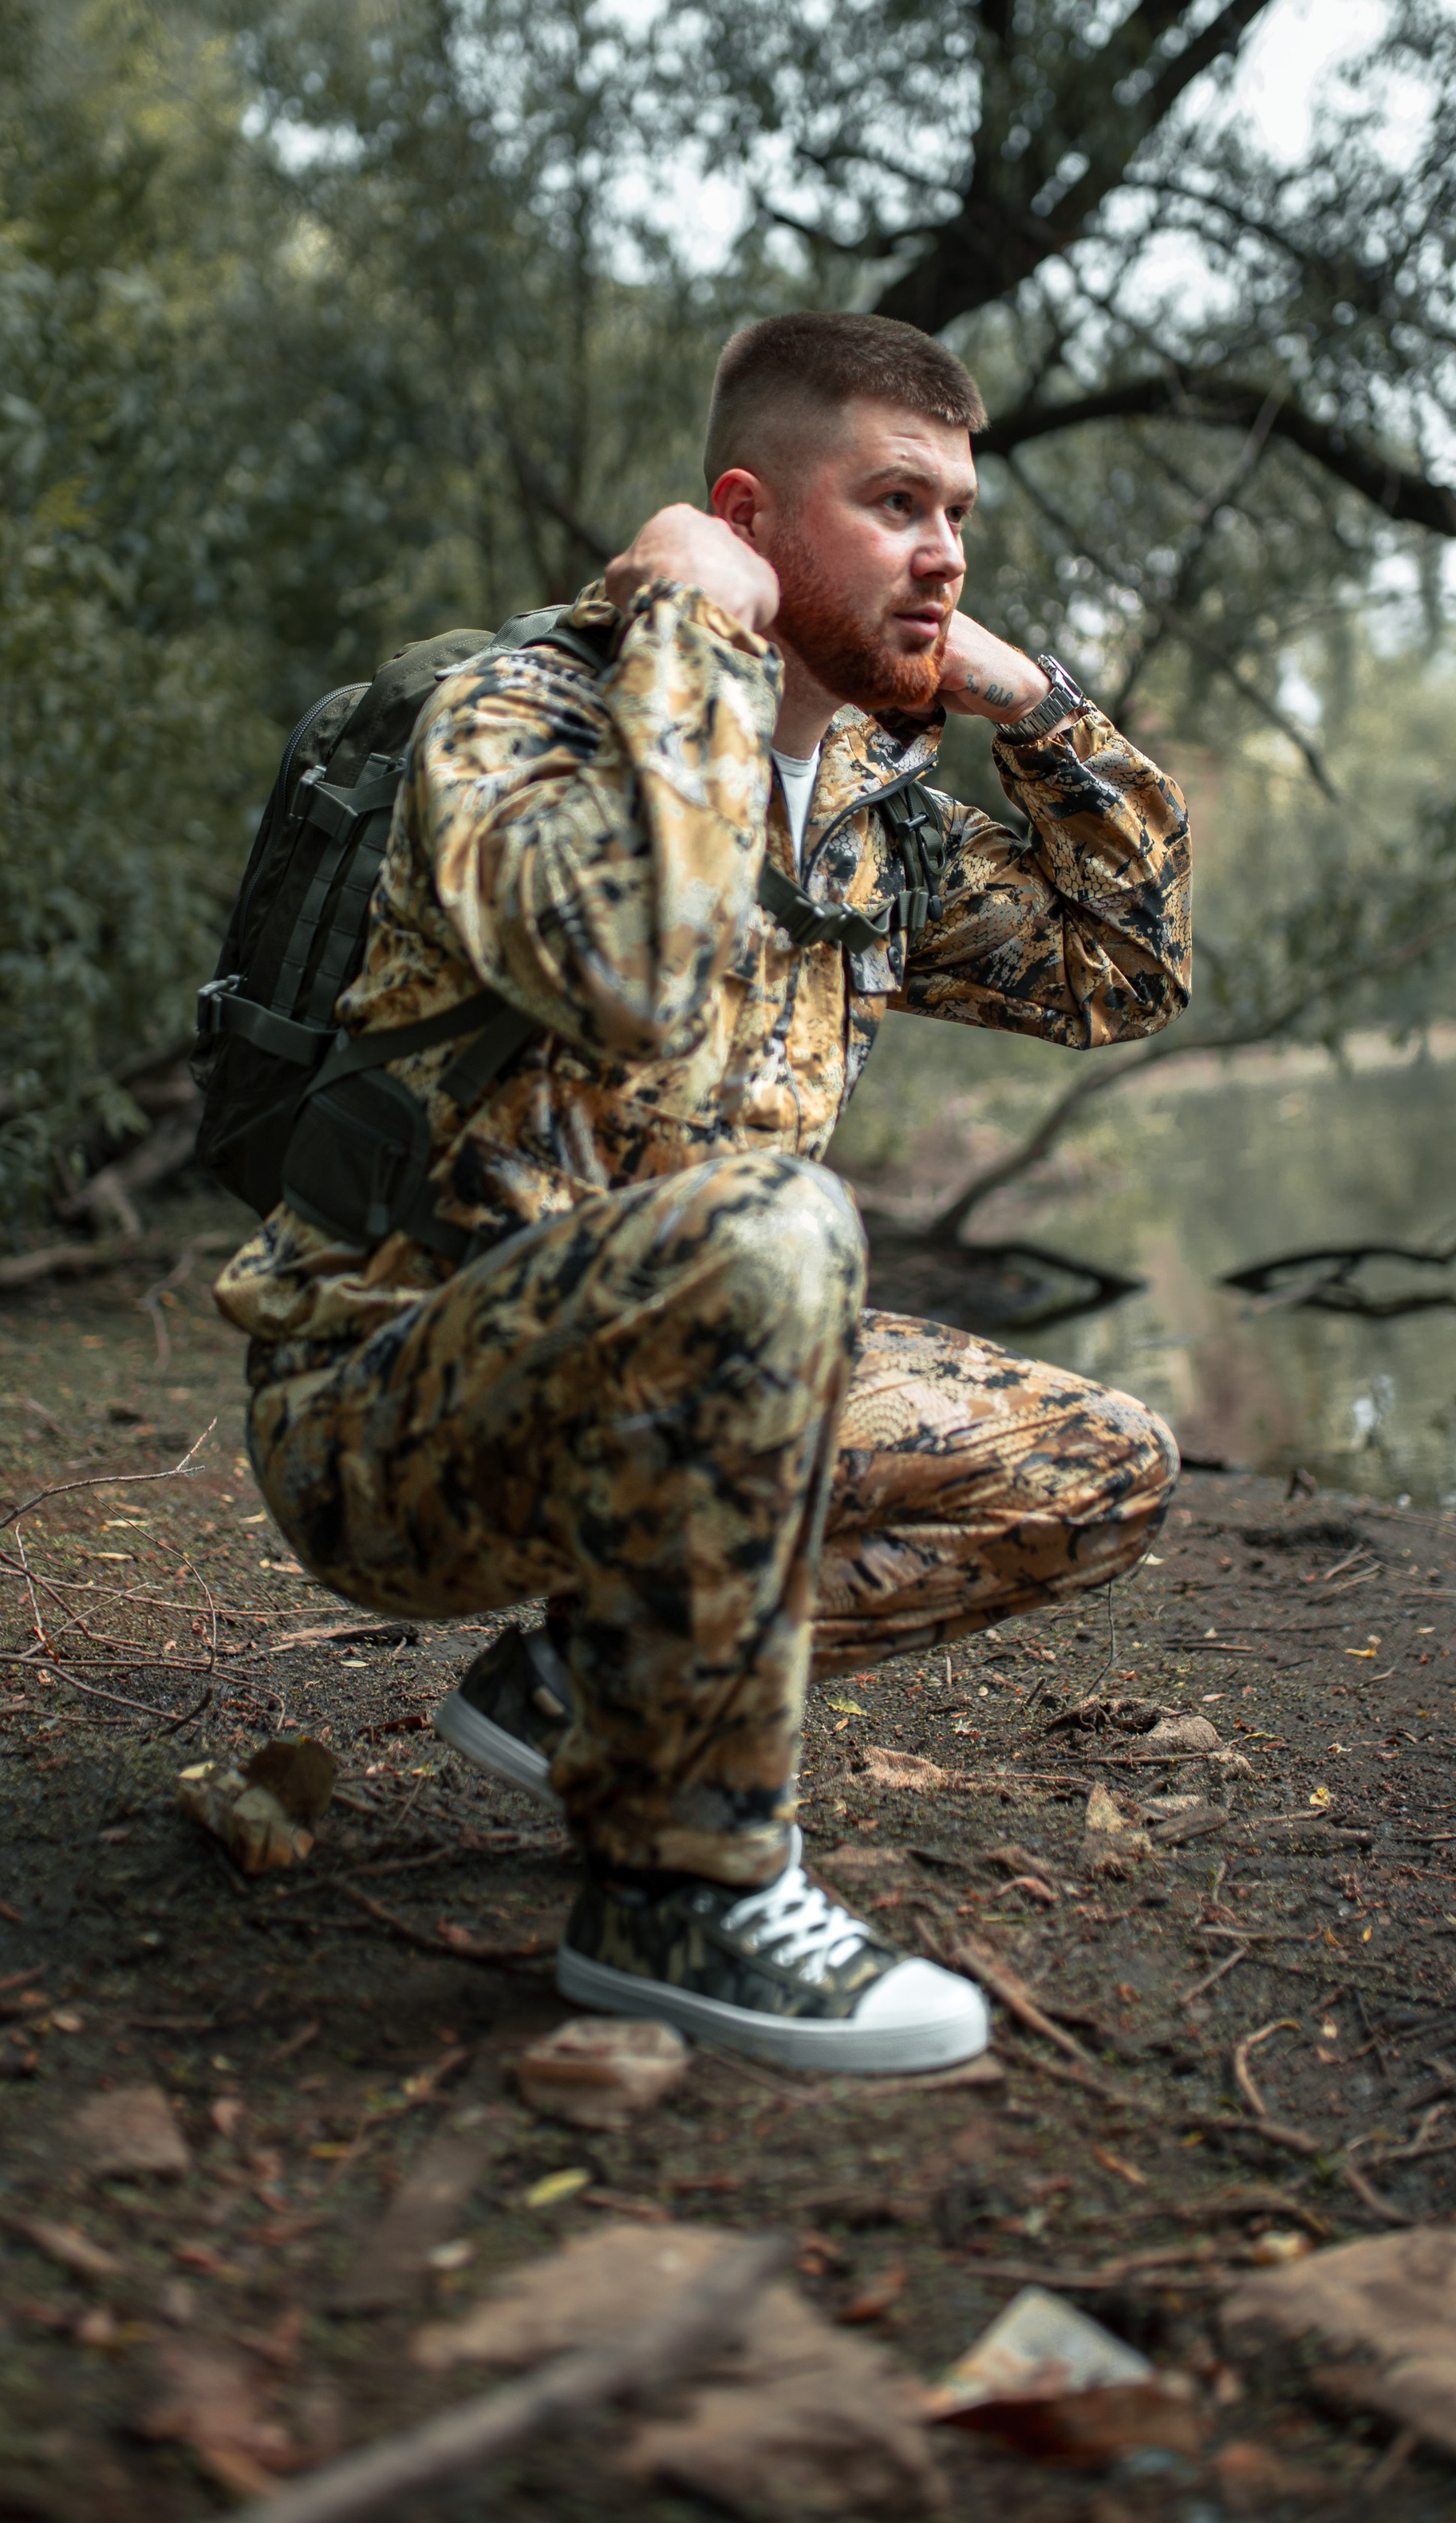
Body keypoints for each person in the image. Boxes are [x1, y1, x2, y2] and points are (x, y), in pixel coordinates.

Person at [214, 311, 1192, 2074]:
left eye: (959, 512)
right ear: (746, 517)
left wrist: (1027, 702)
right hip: (391, 1409)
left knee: (1093, 1466)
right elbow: (640, 971)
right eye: (894, 503)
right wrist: (690, 627)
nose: (944, 550)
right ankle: (683, 1896)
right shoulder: (517, 719)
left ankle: (592, 1679)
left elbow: (1120, 970)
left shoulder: (871, 823)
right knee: (779, 1223)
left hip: (676, 1385)